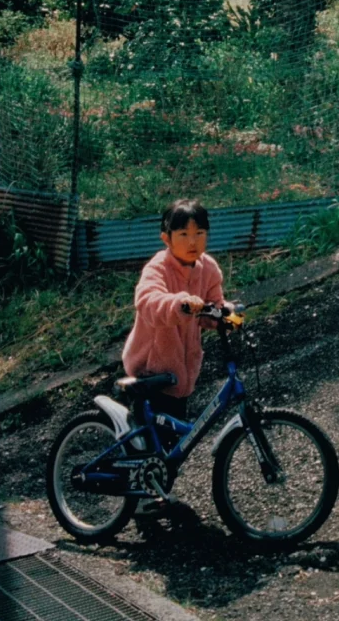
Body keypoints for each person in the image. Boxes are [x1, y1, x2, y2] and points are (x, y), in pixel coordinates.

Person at [122, 199, 225, 513]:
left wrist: (225, 314)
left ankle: (157, 488)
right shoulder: (158, 267)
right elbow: (148, 300)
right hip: (150, 367)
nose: (192, 242)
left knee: (172, 440)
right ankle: (139, 496)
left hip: (181, 371)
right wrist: (178, 303)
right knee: (148, 438)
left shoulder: (208, 268)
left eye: (200, 233)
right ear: (166, 238)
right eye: (183, 235)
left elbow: (212, 308)